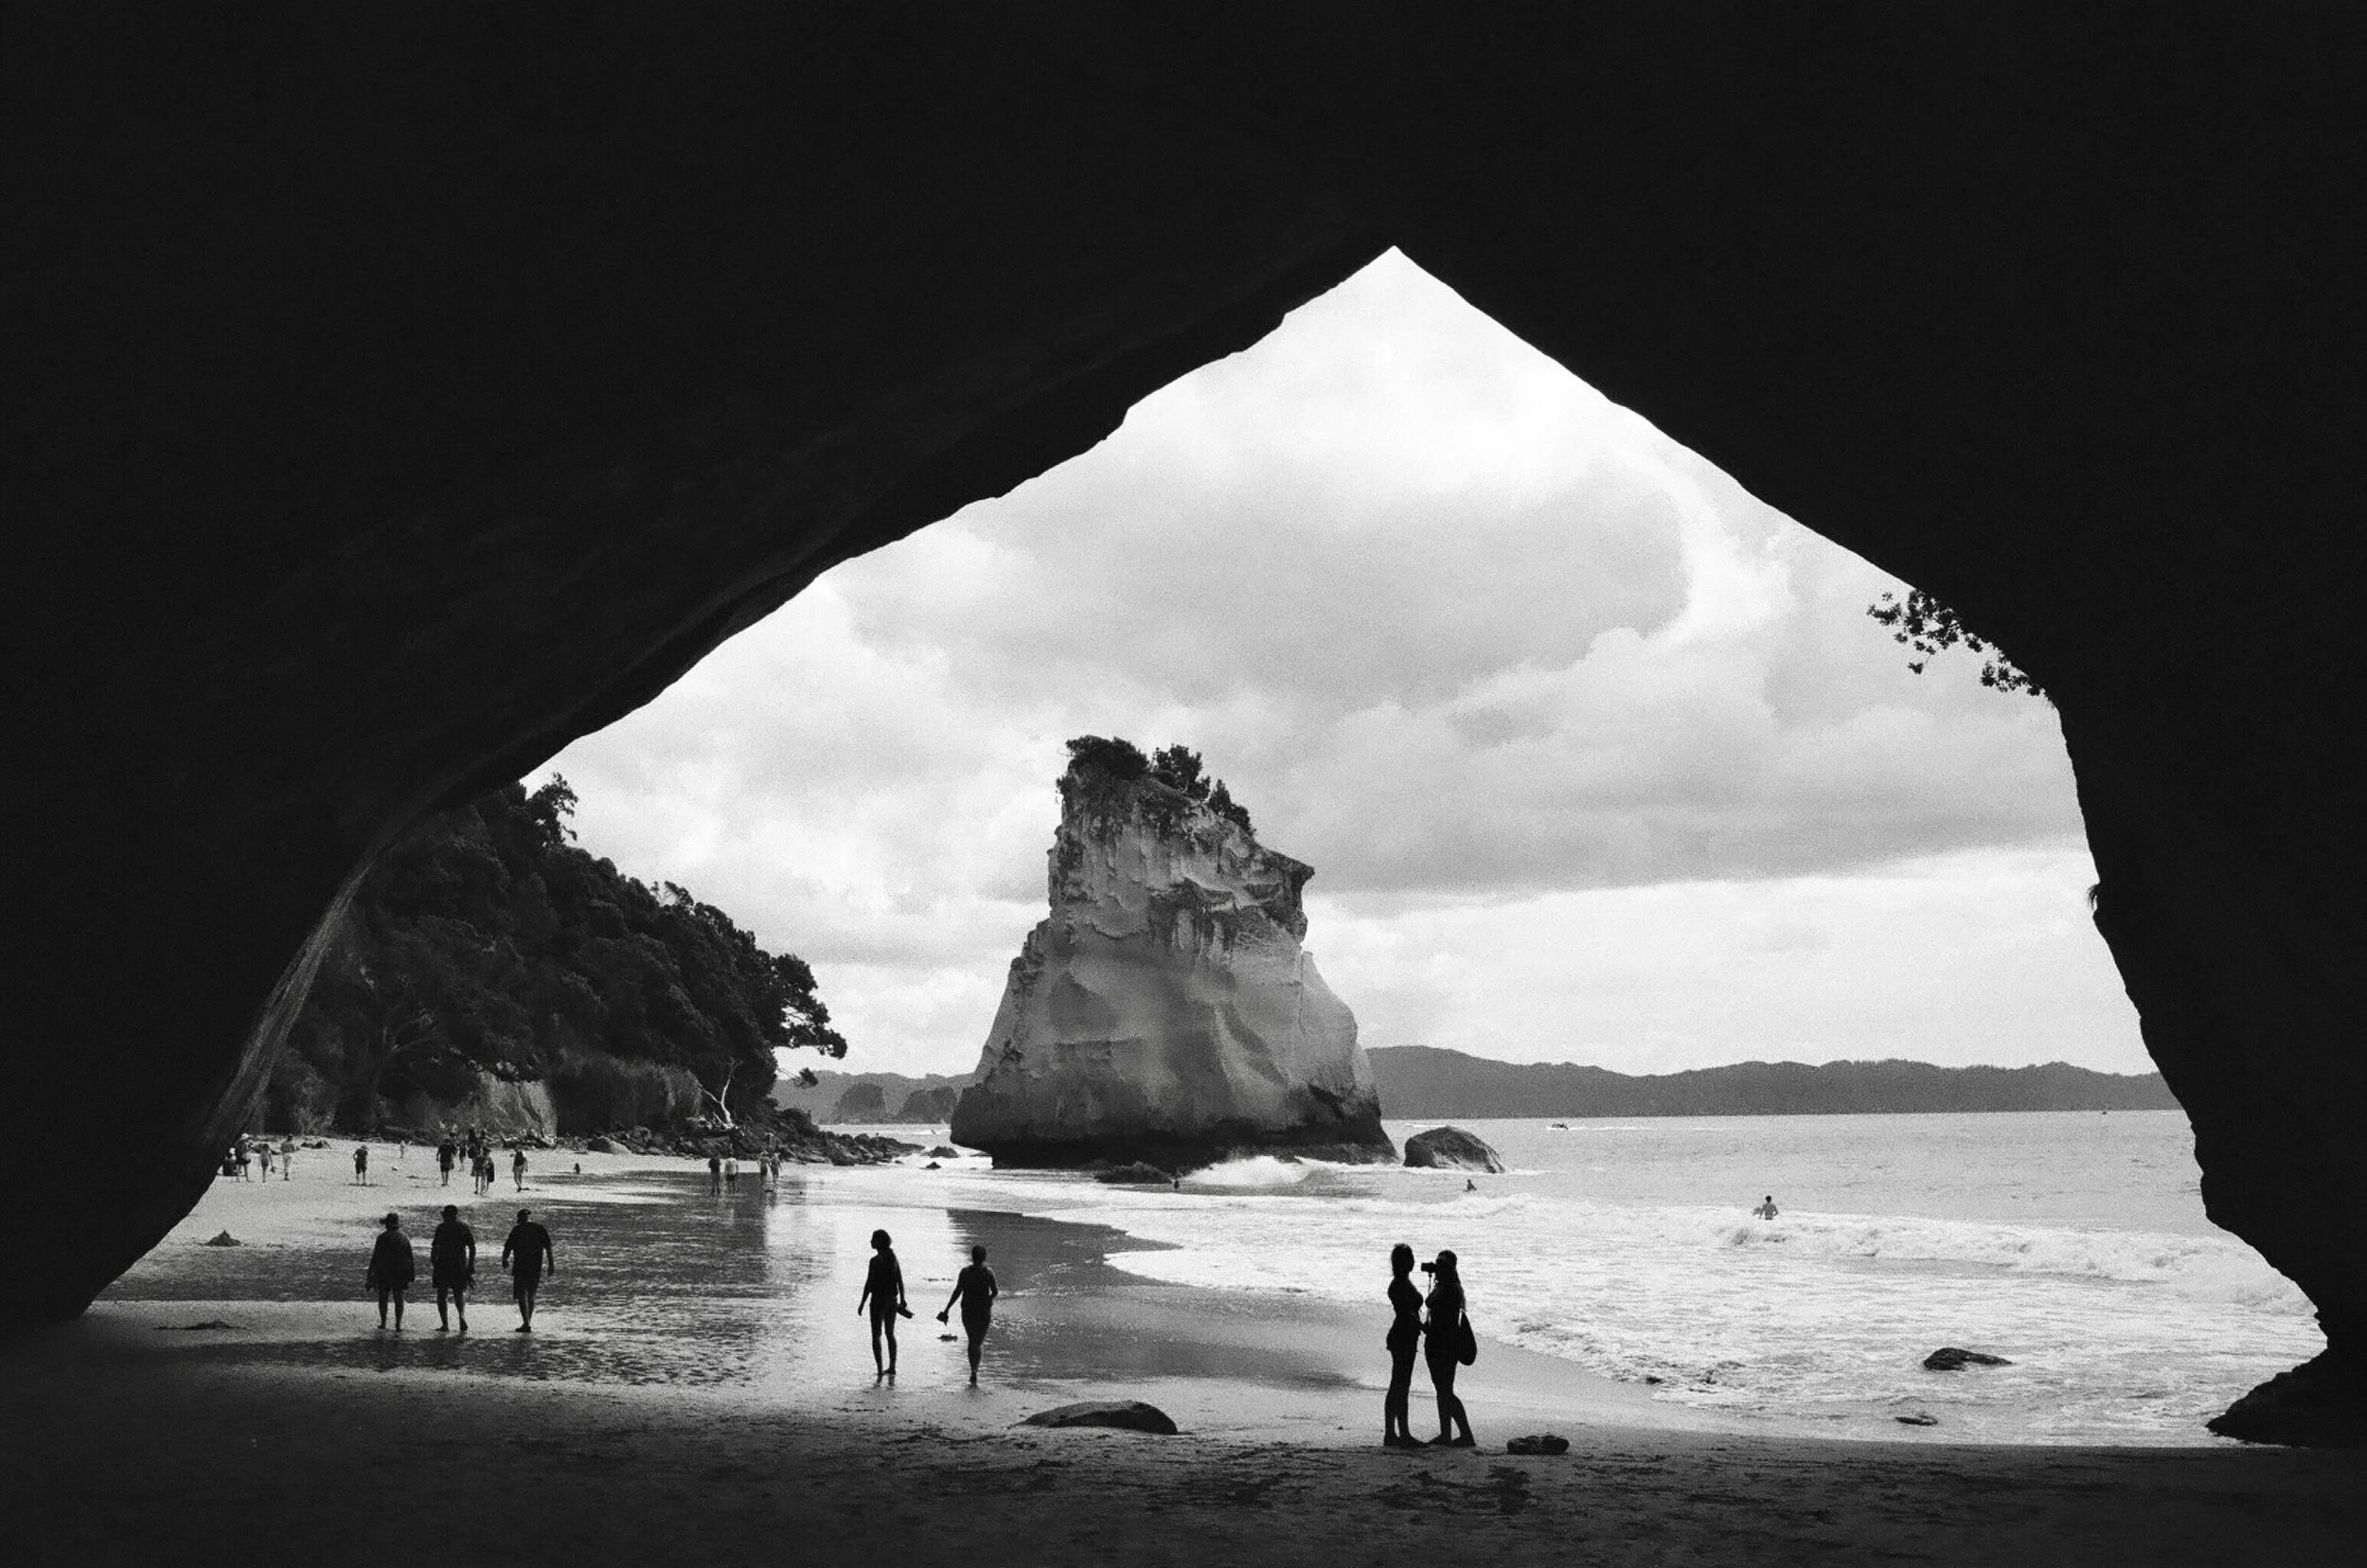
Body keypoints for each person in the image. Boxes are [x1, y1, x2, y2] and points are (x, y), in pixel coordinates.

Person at [1421, 1250, 1476, 1447]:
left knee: (1445, 1391)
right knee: (1442, 1390)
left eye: (1442, 1265)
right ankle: (1446, 1433)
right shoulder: (1446, 1286)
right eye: (1438, 1264)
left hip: (1444, 1345)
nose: (1439, 1268)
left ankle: (1466, 1434)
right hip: (1439, 1343)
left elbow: (1434, 1305)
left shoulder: (1451, 1289)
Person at [936, 1244, 999, 1386]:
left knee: (972, 1341)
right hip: (983, 1311)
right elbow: (995, 1292)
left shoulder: (965, 1272)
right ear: (984, 1258)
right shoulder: (989, 1273)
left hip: (968, 1310)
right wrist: (989, 1298)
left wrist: (947, 1309)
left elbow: (957, 1291)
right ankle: (975, 1370)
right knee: (978, 1342)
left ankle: (973, 1370)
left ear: (972, 1257)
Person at [1382, 1242, 1423, 1448]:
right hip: (1402, 1336)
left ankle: (1394, 1433)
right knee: (1400, 1385)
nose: (1413, 1261)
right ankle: (1399, 1433)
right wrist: (1423, 1326)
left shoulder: (1403, 1282)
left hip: (1405, 1336)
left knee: (1399, 1384)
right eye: (1410, 1258)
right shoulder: (1399, 1284)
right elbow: (1406, 1311)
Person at [856, 1228, 910, 1378]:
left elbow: (869, 1284)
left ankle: (880, 1369)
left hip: (878, 1300)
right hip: (892, 1300)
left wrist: (862, 1303)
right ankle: (892, 1367)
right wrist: (903, 1299)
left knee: (876, 1335)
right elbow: (900, 1280)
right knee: (890, 1334)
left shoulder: (875, 1261)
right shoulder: (893, 1257)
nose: (871, 1242)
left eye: (873, 1239)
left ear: (879, 1242)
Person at [501, 1208, 555, 1332]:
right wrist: (551, 1265)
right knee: (531, 1295)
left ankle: (526, 1323)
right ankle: (527, 1322)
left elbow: (507, 1247)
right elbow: (548, 1248)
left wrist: (505, 1259)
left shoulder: (517, 1229)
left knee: (522, 1295)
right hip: (535, 1267)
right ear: (531, 1218)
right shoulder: (540, 1229)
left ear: (519, 1219)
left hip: (520, 1266)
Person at [430, 1203, 475, 1332]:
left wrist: (434, 1261)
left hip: (443, 1265)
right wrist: (470, 1266)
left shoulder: (441, 1228)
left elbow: (435, 1247)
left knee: (442, 1295)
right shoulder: (463, 1228)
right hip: (459, 1265)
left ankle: (445, 1324)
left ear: (445, 1216)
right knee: (459, 1293)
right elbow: (472, 1248)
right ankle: (461, 1316)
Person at [365, 1212, 415, 1330]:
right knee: (399, 1297)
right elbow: (410, 1257)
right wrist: (411, 1274)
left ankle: (383, 1323)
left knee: (383, 1297)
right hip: (400, 1271)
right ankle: (398, 1324)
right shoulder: (404, 1238)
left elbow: (375, 1258)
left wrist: (370, 1276)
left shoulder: (382, 1238)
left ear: (387, 1225)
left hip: (384, 1271)